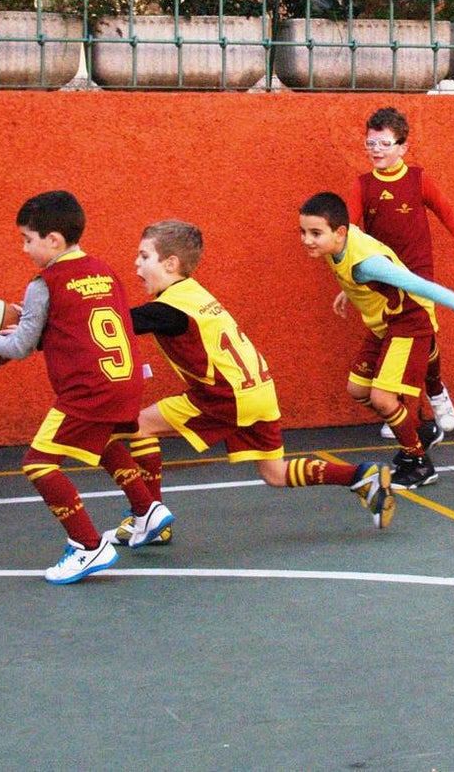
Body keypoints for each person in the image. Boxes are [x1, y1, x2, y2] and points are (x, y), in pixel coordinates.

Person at [99, 220, 397, 542]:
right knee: (276, 473)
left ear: (171, 263)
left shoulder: (170, 309)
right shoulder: (192, 293)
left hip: (226, 396)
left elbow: (118, 323)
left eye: (144, 256)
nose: (136, 263)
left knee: (139, 425)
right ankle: (360, 475)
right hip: (259, 390)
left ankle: (148, 516)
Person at [0, 190, 173, 584]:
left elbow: (20, 347)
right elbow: (78, 326)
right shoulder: (104, 271)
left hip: (87, 389)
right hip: (124, 380)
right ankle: (147, 510)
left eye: (28, 239)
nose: (25, 248)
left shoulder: (44, 283)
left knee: (39, 463)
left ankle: (87, 545)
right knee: (102, 441)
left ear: (53, 240)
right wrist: (35, 324)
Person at [299, 191, 454, 490]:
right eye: (303, 232)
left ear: (340, 232)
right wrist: (350, 289)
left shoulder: (367, 264)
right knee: (358, 390)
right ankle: (420, 432)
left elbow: (419, 284)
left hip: (409, 322)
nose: (307, 239)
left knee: (382, 399)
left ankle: (418, 464)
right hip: (384, 323)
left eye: (315, 233)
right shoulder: (342, 245)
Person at [339, 106, 454, 440]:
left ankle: (434, 391)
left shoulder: (418, 179)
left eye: (384, 143)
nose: (376, 150)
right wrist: (348, 281)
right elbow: (347, 234)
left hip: (418, 274)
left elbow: (446, 212)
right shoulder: (363, 186)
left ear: (403, 147)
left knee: (422, 334)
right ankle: (400, 410)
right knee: (393, 337)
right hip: (382, 280)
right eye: (371, 143)